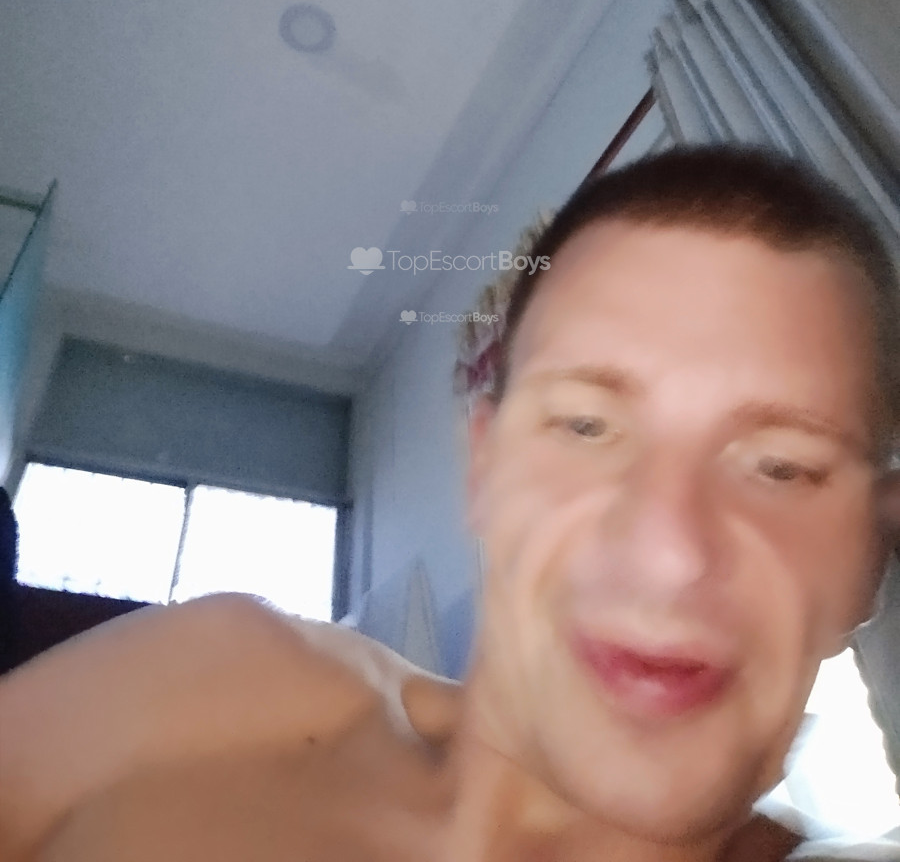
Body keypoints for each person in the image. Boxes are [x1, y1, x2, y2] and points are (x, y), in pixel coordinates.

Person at [1, 144, 898, 862]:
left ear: (872, 546)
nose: (668, 547)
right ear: (486, 464)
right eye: (587, 426)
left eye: (781, 467)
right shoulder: (217, 678)